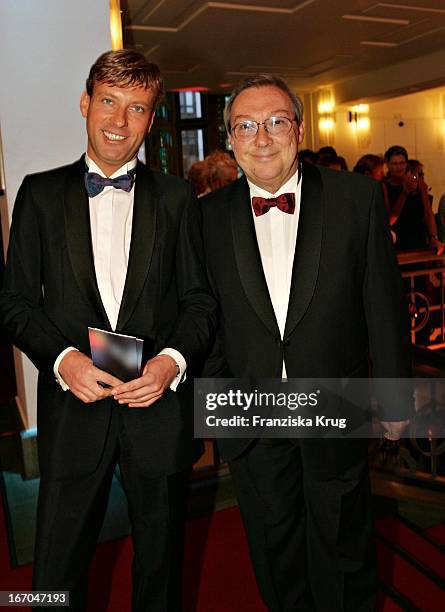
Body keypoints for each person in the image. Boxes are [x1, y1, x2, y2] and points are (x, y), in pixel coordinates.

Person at [0, 50, 216, 611]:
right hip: (74, 413)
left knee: (161, 569)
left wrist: (170, 363)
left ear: (150, 118)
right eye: (109, 103)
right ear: (85, 104)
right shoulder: (40, 195)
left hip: (157, 412)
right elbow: (16, 304)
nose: (119, 121)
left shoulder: (176, 198)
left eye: (137, 108)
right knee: (55, 567)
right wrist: (64, 360)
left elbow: (199, 305)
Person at [201, 74, 412, 612]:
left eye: (275, 121)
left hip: (336, 404)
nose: (262, 137)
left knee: (344, 548)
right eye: (245, 126)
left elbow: (382, 309)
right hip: (251, 414)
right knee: (275, 553)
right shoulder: (202, 217)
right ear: (230, 140)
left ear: (297, 129)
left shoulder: (356, 198)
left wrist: (393, 398)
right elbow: (204, 320)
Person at [383, 146, 443, 253]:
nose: (399, 167)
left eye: (402, 163)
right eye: (395, 164)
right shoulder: (384, 186)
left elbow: (428, 213)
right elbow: (389, 220)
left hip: (418, 237)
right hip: (396, 240)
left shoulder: (417, 182)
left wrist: (433, 237)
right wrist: (405, 192)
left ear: (406, 164)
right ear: (388, 165)